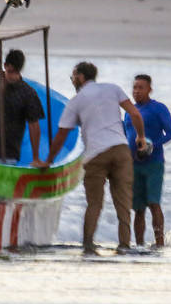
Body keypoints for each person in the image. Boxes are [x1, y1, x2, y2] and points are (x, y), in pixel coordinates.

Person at [34, 61, 146, 255]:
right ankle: (125, 246)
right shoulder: (112, 89)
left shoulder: (76, 101)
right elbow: (135, 114)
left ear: (81, 77)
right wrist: (141, 137)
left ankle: (88, 246)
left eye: (73, 76)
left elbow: (61, 135)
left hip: (96, 155)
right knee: (123, 204)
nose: (72, 80)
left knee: (95, 204)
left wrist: (48, 161)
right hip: (120, 151)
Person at [123, 74, 171, 247]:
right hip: (133, 164)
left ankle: (160, 243)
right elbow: (125, 135)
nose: (137, 91)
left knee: (153, 203)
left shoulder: (158, 108)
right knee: (138, 209)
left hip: (154, 164)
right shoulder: (129, 111)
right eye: (135, 87)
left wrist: (152, 146)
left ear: (149, 89)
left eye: (141, 88)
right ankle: (139, 245)